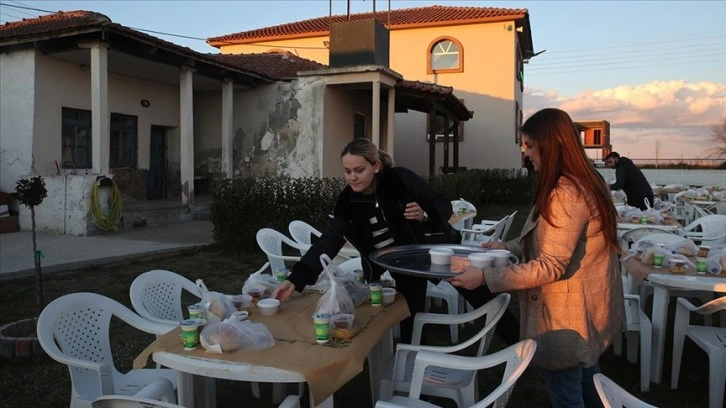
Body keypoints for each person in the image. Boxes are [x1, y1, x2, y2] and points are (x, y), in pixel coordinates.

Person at [448, 108, 625, 408]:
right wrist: (509, 248)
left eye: (530, 145)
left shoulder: (566, 192)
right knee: (588, 378)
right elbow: (550, 238)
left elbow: (551, 264)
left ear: (551, 144)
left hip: (569, 315)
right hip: (587, 311)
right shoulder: (585, 181)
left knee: (568, 393)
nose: (527, 153)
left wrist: (485, 277)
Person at [271, 138, 520, 345]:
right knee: (410, 317)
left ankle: (520, 343)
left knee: (481, 295)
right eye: (347, 171)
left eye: (359, 170)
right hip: (401, 264)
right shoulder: (347, 201)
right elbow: (328, 241)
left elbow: (442, 204)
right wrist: (297, 279)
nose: (352, 178)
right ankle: (412, 366)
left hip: (436, 253)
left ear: (376, 166)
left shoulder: (400, 179)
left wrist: (424, 214)